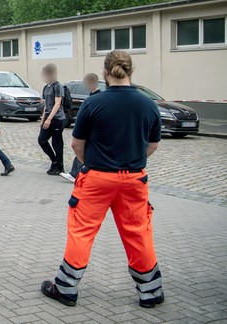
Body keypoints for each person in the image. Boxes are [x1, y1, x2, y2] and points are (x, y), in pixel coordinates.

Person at [41, 50, 164, 309]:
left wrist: (91, 164)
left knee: (82, 232)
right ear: (130, 71)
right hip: (133, 179)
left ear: (106, 72)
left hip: (97, 178)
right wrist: (130, 160)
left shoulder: (94, 103)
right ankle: (150, 292)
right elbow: (152, 145)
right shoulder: (147, 104)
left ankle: (66, 289)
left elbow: (76, 144)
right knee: (139, 233)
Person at [60, 73, 101, 183]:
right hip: (90, 131)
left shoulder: (97, 97)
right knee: (82, 151)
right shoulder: (92, 96)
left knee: (81, 150)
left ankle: (76, 174)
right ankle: (77, 173)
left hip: (92, 132)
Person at [39, 63, 66, 175]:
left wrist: (49, 119)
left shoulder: (57, 86)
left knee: (57, 143)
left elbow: (57, 104)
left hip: (57, 118)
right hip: (48, 117)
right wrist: (43, 118)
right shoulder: (46, 87)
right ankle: (54, 161)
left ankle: (60, 166)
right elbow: (46, 104)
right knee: (42, 140)